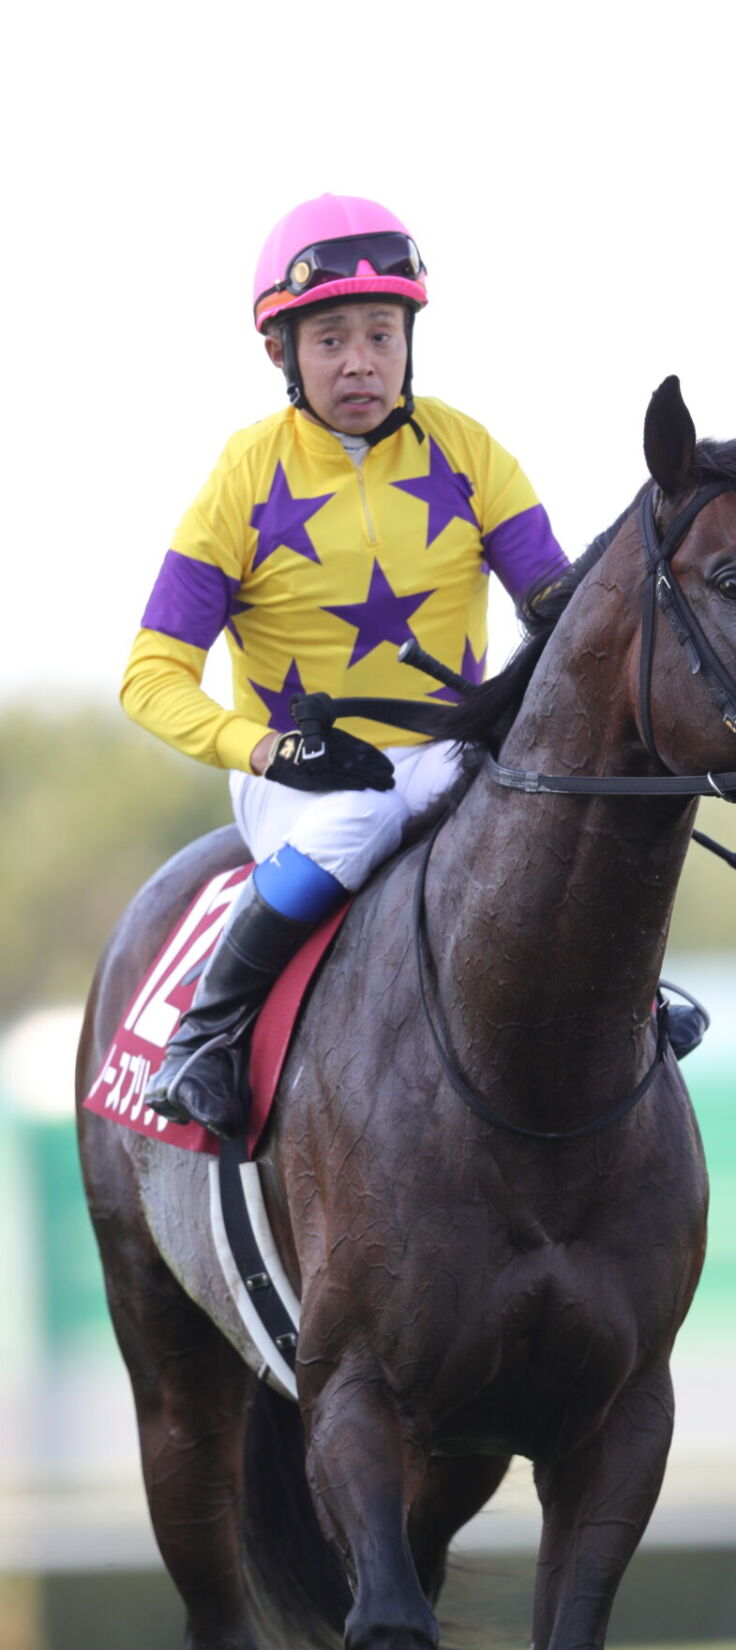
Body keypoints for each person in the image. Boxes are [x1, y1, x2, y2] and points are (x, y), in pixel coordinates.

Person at [125, 193, 571, 1138]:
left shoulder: (469, 452)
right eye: (329, 340)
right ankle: (203, 1036)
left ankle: (635, 1000)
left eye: (381, 332)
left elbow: (558, 614)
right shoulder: (242, 479)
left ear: (410, 339)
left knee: (556, 793)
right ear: (280, 354)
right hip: (303, 777)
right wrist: (268, 753)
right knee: (361, 815)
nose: (361, 361)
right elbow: (151, 676)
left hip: (445, 751)